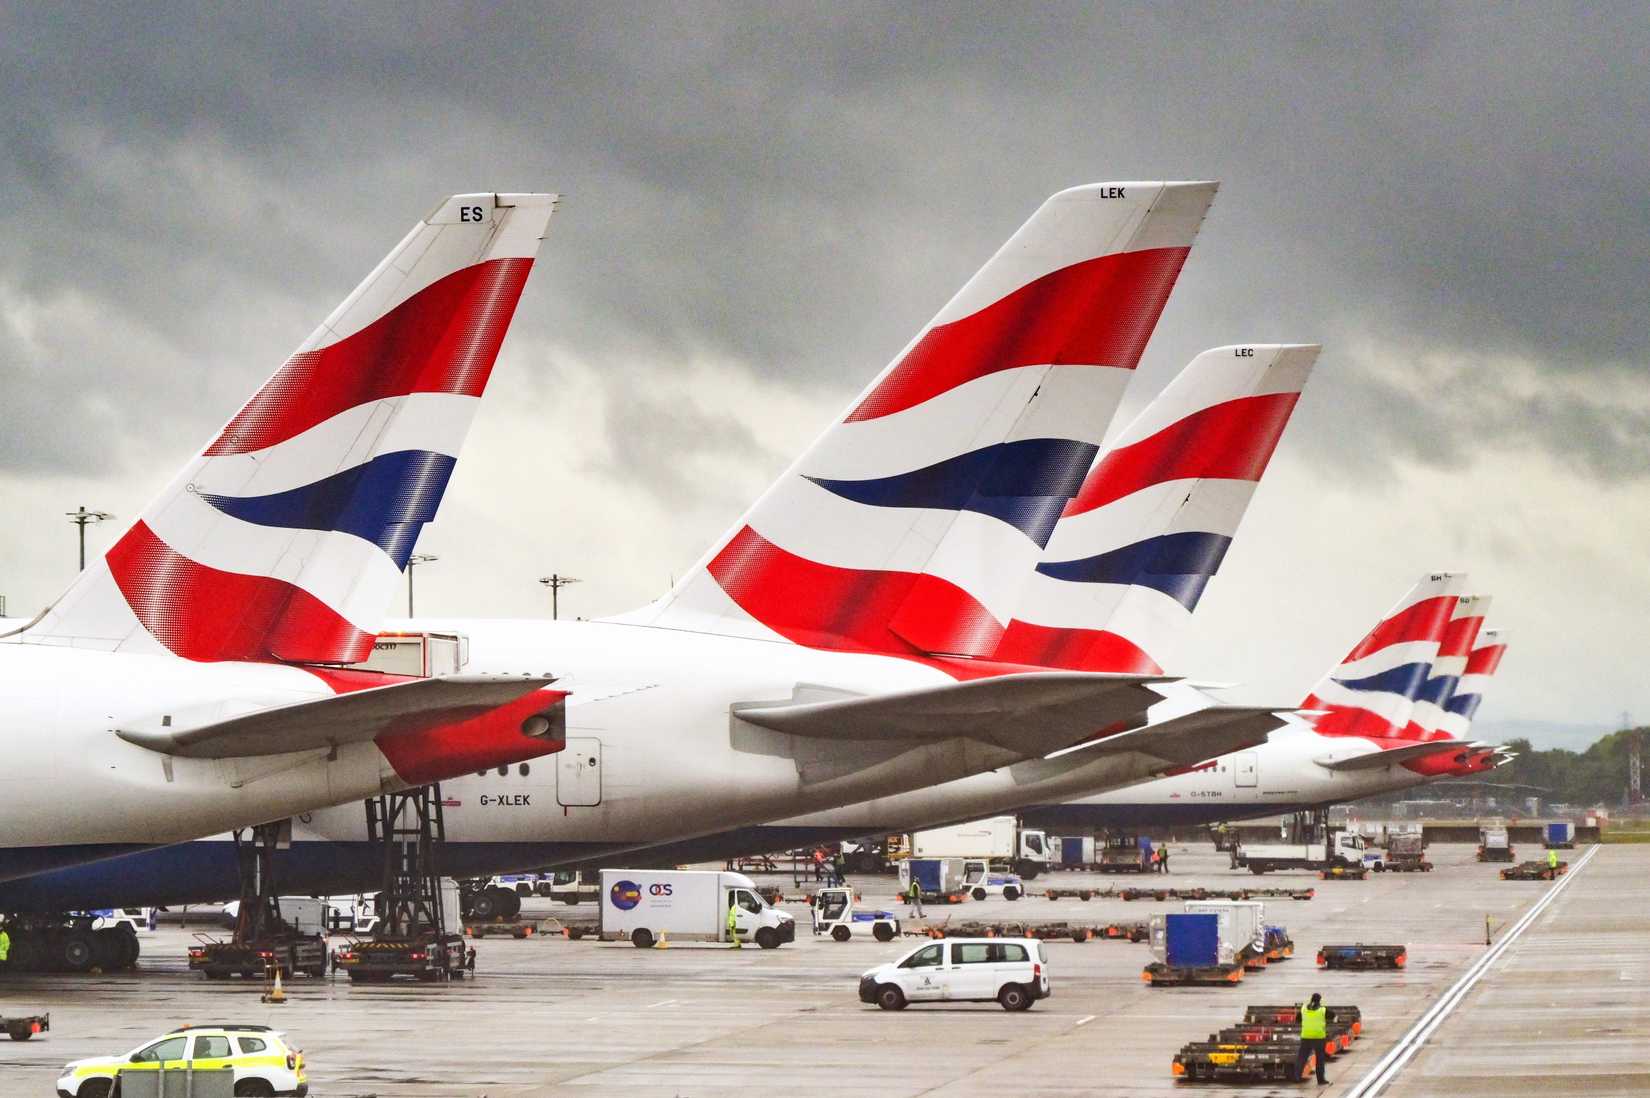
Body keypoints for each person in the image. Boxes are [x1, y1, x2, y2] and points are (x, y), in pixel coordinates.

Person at [1294, 992, 1330, 1085]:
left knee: (1301, 1058)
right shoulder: (1323, 1010)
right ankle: (1320, 1080)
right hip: (1319, 1038)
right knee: (1320, 1059)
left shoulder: (1304, 1009)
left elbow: (1297, 1019)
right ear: (1320, 1000)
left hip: (1306, 1037)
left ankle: (1297, 1077)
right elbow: (1332, 1015)